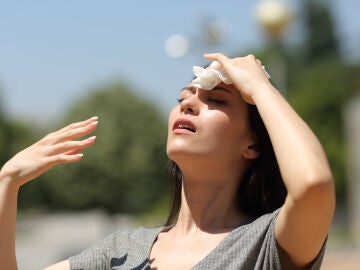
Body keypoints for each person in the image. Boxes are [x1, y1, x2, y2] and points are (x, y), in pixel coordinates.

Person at [0, 53, 335, 270]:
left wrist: (260, 88)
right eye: (182, 98)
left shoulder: (266, 245)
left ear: (253, 144)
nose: (188, 105)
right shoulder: (121, 250)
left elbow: (313, 185)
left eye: (216, 99)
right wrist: (8, 182)